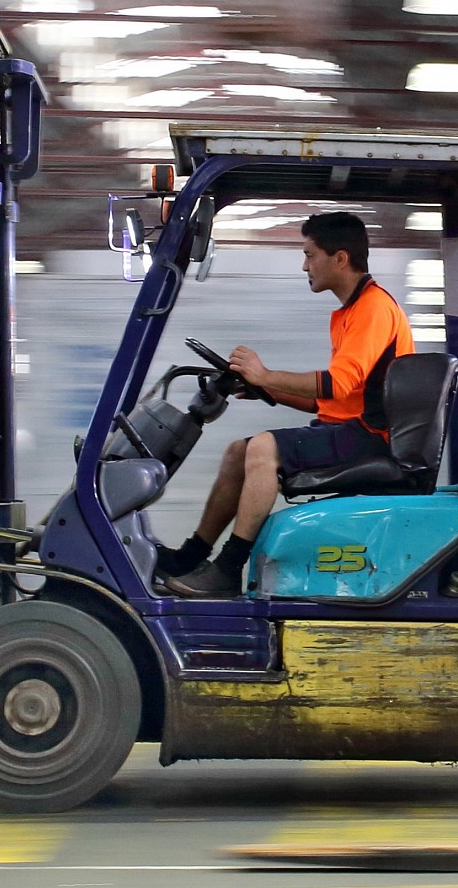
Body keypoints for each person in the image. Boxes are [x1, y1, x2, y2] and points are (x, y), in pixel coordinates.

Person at [157, 210, 415, 598]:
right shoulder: (350, 312)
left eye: (310, 255)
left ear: (340, 259)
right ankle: (191, 556)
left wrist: (265, 375)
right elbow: (332, 401)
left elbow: (335, 383)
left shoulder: (373, 309)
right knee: (236, 453)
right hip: (347, 429)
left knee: (263, 448)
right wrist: (269, 390)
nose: (304, 265)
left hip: (372, 436)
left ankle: (228, 568)